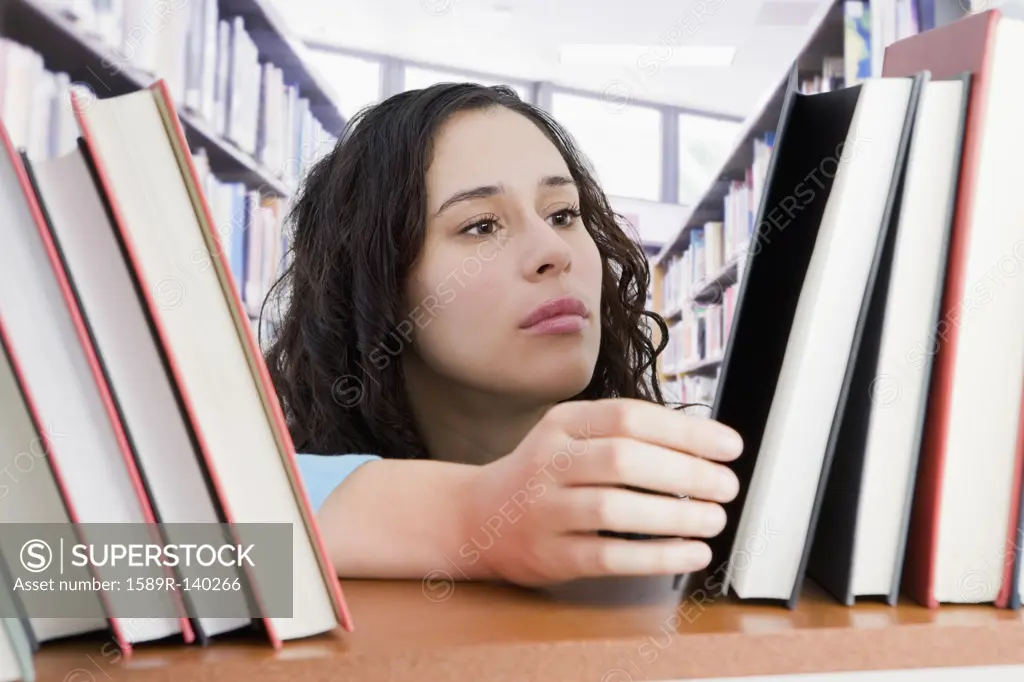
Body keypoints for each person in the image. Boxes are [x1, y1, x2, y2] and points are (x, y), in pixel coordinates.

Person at [262, 82, 743, 589]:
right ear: (370, 283)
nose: (553, 249)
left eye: (563, 214)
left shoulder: (694, 495)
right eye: (481, 226)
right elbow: (179, 567)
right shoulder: (262, 491)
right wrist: (472, 517)